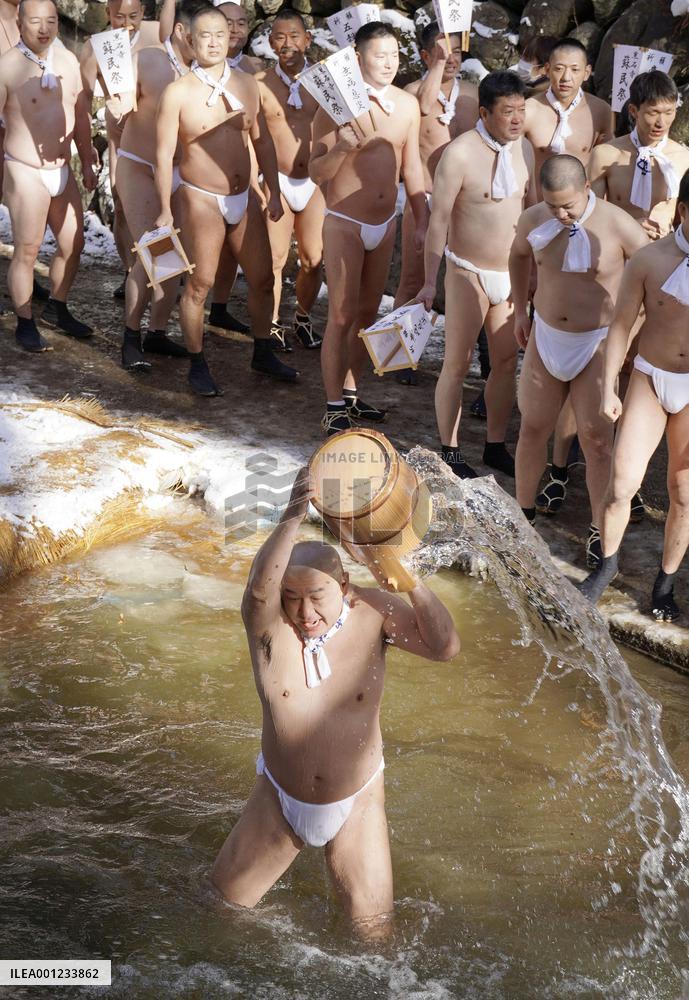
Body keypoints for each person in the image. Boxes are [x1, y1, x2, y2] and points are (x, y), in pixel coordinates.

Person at [209, 467, 460, 933]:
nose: (305, 613)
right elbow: (260, 588)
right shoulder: (269, 626)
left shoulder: (373, 612)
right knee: (219, 918)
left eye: (317, 596)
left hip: (357, 801)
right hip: (278, 799)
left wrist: (408, 582)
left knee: (374, 938)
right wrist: (292, 515)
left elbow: (445, 648)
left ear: (343, 586)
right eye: (293, 597)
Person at [509, 155, 648, 566]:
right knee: (532, 426)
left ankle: (599, 531)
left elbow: (651, 275)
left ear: (587, 186)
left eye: (567, 205)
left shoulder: (619, 225)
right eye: (553, 206)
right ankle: (524, 518)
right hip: (547, 332)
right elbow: (517, 256)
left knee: (598, 442)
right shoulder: (534, 220)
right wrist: (520, 310)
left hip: (598, 340)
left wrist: (629, 336)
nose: (561, 213)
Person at [154, 4, 296, 395]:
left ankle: (263, 349)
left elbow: (262, 141)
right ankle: (198, 362)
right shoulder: (178, 92)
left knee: (264, 278)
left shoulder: (248, 84)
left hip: (243, 194)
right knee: (199, 283)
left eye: (221, 34)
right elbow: (164, 154)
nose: (214, 42)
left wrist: (274, 192)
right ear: (190, 39)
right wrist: (165, 209)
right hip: (200, 197)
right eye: (205, 36)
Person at [580, 169, 689, 621]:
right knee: (622, 483)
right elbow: (621, 326)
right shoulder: (649, 259)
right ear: (684, 211)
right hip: (648, 377)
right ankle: (606, 566)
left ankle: (664, 585)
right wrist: (609, 386)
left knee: (683, 492)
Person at [310, 21, 429, 435]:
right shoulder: (334, 105)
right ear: (358, 58)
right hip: (344, 219)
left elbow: (412, 167)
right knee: (341, 314)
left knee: (366, 313)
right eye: (380, 56)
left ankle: (351, 392)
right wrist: (342, 145)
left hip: (386, 221)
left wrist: (422, 220)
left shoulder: (407, 105)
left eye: (395, 55)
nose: (389, 63)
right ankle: (331, 403)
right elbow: (315, 172)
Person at [418, 71, 535, 479]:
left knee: (505, 362)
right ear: (484, 112)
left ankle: (494, 444)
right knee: (457, 362)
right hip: (466, 271)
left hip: (511, 275)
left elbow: (535, 214)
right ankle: (449, 450)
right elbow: (438, 222)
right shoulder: (460, 154)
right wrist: (430, 281)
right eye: (508, 112)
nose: (517, 119)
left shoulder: (527, 151)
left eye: (521, 109)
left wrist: (535, 273)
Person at [0, 0, 96, 351]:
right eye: (36, 21)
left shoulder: (68, 61)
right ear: (21, 23)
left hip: (61, 168)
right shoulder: (7, 67)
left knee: (73, 244)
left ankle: (58, 306)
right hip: (24, 168)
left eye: (51, 20)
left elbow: (81, 114)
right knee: (27, 249)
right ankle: (24, 320)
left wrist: (86, 158)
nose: (44, 28)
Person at [116, 0, 206, 371]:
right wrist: (115, 104)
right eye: (203, 35)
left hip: (180, 172)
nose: (211, 42)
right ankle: (130, 336)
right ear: (184, 32)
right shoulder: (148, 60)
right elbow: (115, 107)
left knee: (176, 259)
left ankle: (155, 331)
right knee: (150, 251)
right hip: (139, 166)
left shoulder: (208, 73)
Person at [392, 21, 478, 386]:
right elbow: (426, 105)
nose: (452, 58)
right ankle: (398, 355)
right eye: (443, 52)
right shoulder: (413, 93)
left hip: (465, 199)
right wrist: (438, 67)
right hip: (424, 197)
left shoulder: (473, 95)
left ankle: (459, 364)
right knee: (413, 278)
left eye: (457, 52)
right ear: (426, 55)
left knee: (465, 282)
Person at [80, 0, 161, 291]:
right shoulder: (94, 47)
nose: (127, 24)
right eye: (119, 17)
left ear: (143, 12)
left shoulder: (157, 34)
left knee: (164, 205)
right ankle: (131, 271)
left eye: (134, 16)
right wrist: (87, 144)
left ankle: (162, 273)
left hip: (158, 138)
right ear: (107, 14)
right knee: (123, 206)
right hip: (121, 141)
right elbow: (84, 100)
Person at [256, 10, 325, 351]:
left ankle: (302, 317)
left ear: (307, 40)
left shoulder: (326, 81)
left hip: (314, 181)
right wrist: (260, 182)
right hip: (277, 178)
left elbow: (345, 130)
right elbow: (251, 135)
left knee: (313, 259)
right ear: (271, 43)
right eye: (280, 37)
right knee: (275, 258)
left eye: (295, 36)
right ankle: (271, 324)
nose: (288, 43)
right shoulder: (260, 84)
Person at [588, 71, 689, 242]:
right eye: (653, 112)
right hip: (617, 246)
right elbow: (590, 214)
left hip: (665, 251)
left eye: (669, 112)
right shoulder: (605, 154)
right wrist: (630, 227)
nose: (661, 122)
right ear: (634, 111)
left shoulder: (683, 158)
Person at [524, 37, 613, 196]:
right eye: (559, 68)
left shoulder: (600, 111)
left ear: (586, 73)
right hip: (538, 203)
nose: (566, 77)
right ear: (547, 69)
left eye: (575, 69)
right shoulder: (529, 110)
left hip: (581, 203)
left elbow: (606, 167)